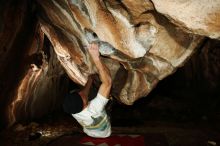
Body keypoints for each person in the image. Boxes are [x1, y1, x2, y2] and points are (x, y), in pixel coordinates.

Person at [63, 43, 112, 138]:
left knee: (81, 92)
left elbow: (83, 93)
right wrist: (95, 57)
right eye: (81, 95)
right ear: (85, 104)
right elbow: (108, 82)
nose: (81, 92)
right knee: (106, 98)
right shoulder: (95, 109)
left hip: (89, 132)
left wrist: (90, 80)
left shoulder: (73, 110)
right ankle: (109, 105)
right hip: (105, 133)